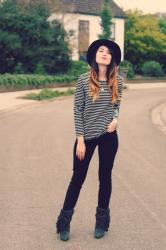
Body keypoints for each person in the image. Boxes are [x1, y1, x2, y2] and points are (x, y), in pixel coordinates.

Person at [55, 39, 124, 241]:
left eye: (108, 52)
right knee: (78, 178)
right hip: (86, 137)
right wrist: (80, 139)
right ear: (95, 56)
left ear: (112, 59)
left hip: (109, 136)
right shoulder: (84, 80)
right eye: (101, 50)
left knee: (105, 178)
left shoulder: (117, 81)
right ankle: (63, 223)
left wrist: (116, 119)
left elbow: (117, 104)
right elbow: (77, 109)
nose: (104, 53)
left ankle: (101, 222)